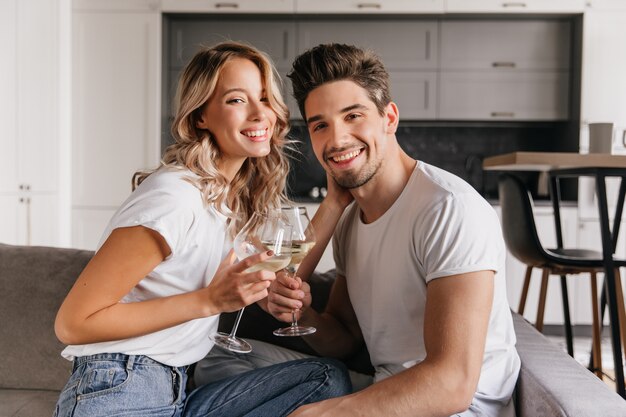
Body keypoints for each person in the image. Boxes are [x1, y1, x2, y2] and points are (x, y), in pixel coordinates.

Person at [197, 43, 521, 417]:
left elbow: (451, 383)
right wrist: (309, 316)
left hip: (453, 408)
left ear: (390, 118)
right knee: (212, 353)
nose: (336, 140)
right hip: (382, 388)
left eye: (353, 116)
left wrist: (321, 413)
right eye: (321, 125)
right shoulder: (351, 219)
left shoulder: (448, 209)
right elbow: (345, 338)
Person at [52, 41, 350, 417]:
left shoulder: (227, 199)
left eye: (265, 98)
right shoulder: (173, 197)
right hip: (120, 385)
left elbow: (276, 273)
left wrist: (336, 200)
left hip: (176, 388)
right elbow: (73, 323)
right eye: (236, 100)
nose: (261, 114)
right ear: (200, 116)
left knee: (325, 378)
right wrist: (210, 301)